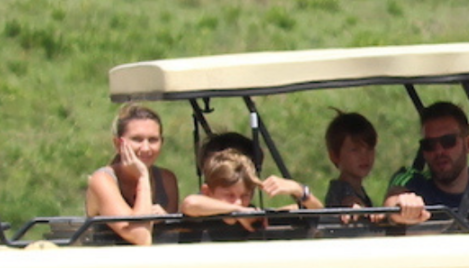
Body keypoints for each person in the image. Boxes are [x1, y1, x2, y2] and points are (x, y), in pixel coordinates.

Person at [83, 105, 178, 247]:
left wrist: (164, 217)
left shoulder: (166, 180)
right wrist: (143, 177)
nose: (146, 148)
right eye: (137, 139)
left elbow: (171, 235)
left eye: (153, 140)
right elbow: (140, 237)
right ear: (118, 143)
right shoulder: (102, 180)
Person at [181, 148, 324, 237]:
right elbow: (190, 204)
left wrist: (298, 190)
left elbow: (320, 215)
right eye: (229, 195)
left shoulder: (255, 218)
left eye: (244, 196)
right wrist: (237, 210)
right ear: (207, 192)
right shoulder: (201, 213)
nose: (238, 201)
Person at [319, 111, 429, 225]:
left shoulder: (359, 190)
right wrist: (365, 211)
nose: (364, 156)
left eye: (370, 149)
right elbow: (350, 202)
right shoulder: (340, 188)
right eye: (355, 150)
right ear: (335, 156)